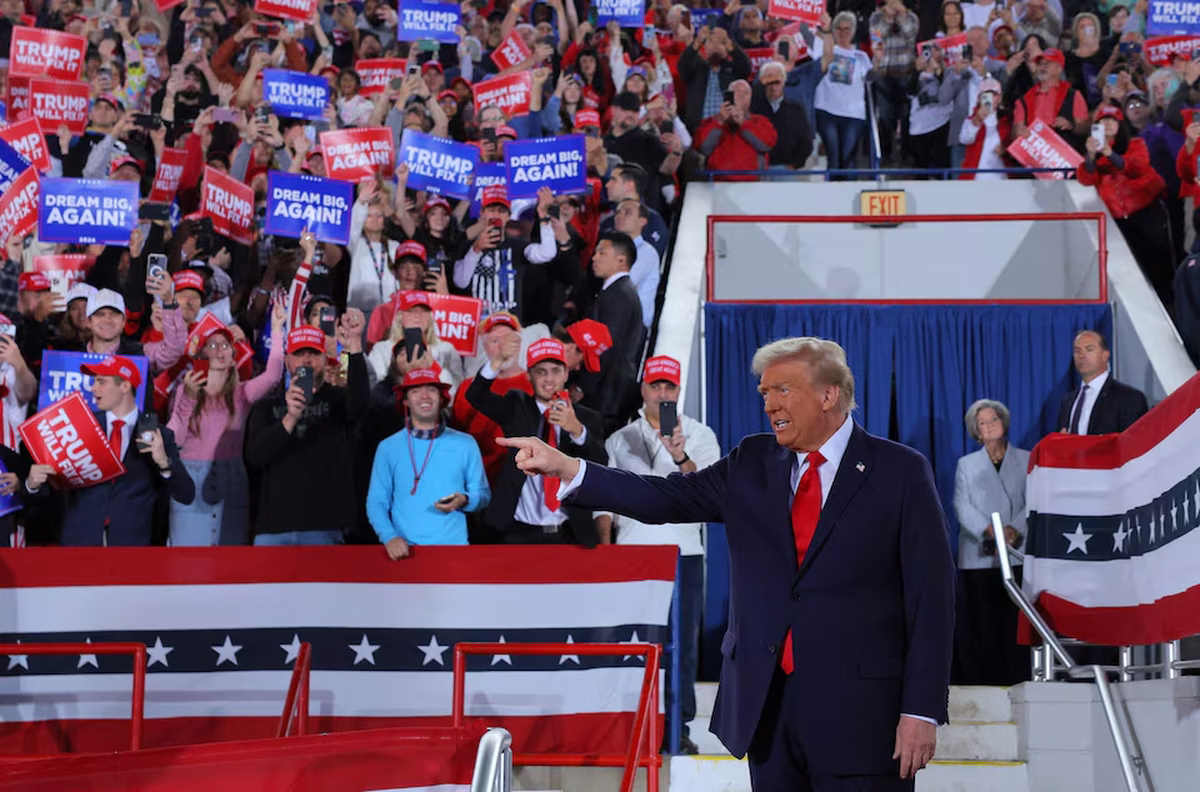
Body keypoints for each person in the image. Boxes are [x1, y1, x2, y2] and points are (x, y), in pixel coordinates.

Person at [497, 337, 955, 789]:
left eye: (783, 390)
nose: (769, 404)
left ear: (828, 394)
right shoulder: (751, 462)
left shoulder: (899, 471)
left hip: (862, 715)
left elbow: (931, 599)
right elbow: (663, 497)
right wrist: (568, 468)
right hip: (767, 712)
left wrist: (921, 709)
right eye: (764, 392)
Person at [600, 355, 721, 756]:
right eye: (656, 387)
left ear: (678, 391)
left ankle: (678, 727)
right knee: (632, 640)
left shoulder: (700, 435)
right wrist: (605, 553)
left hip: (682, 551)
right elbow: (605, 504)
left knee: (682, 644)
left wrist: (681, 454)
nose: (663, 394)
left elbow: (711, 494)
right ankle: (631, 722)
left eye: (670, 387)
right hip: (632, 554)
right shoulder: (620, 439)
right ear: (644, 390)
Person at [28, 355, 195, 546]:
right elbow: (48, 491)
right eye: (94, 381)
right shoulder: (78, 426)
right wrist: (32, 484)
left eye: (101, 382)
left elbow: (186, 494)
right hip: (79, 543)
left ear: (124, 386)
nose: (93, 388)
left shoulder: (159, 435)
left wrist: (164, 463)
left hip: (131, 547)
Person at [166, 301, 287, 546]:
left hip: (231, 476)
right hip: (190, 476)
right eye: (212, 345)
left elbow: (274, 375)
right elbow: (174, 438)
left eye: (226, 345)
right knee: (188, 555)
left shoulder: (242, 393)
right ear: (201, 354)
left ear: (234, 357)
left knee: (229, 557)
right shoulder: (185, 389)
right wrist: (189, 396)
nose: (220, 350)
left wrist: (276, 328)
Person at [467, 337, 606, 546]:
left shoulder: (586, 419)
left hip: (570, 534)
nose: (549, 379)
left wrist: (577, 431)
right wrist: (498, 361)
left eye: (556, 370)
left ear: (566, 374)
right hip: (516, 533)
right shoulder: (516, 406)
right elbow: (475, 395)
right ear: (529, 376)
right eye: (541, 372)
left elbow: (601, 464)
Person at [244, 315, 369, 545]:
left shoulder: (338, 399)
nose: (306, 360)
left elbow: (360, 403)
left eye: (313, 353)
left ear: (324, 358)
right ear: (287, 360)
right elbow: (255, 456)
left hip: (324, 526)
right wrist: (290, 417)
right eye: (299, 353)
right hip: (275, 528)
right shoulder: (267, 406)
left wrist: (355, 344)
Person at [367, 368, 490, 556]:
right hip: (405, 552)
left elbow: (483, 494)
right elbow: (376, 502)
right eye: (416, 391)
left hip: (454, 550)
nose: (424, 396)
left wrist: (465, 500)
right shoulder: (388, 448)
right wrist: (389, 537)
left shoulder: (466, 444)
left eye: (431, 390)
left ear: (441, 398)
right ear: (405, 401)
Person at [952, 399, 1030, 686]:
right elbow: (962, 506)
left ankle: (1018, 677)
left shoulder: (1026, 459)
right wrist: (991, 531)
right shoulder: (966, 465)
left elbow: (1033, 502)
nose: (989, 426)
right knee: (982, 622)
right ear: (976, 431)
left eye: (993, 420)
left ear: (1004, 423)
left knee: (1014, 622)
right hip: (980, 555)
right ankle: (981, 682)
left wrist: (1012, 531)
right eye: (983, 423)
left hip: (1016, 552)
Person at [1056, 330, 1148, 435]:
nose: (1081, 355)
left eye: (1089, 349)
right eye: (1077, 351)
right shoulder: (1068, 401)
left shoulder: (1129, 398)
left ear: (1105, 355)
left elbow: (1134, 444)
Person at [588, 233, 645, 373]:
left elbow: (608, 345)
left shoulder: (620, 294)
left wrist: (584, 385)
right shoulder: (620, 290)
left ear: (621, 260)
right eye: (595, 253)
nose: (594, 258)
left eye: (602, 253)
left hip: (609, 385)